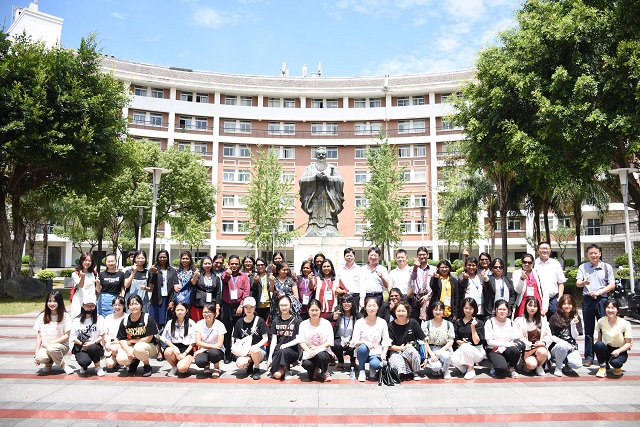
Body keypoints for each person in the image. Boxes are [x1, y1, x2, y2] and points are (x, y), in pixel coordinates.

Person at [576, 244, 615, 367]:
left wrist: (600, 292)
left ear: (600, 254)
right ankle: (589, 357)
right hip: (588, 300)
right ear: (587, 255)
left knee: (604, 329)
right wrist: (584, 283)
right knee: (589, 330)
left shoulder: (607, 267)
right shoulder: (583, 267)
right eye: (591, 253)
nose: (593, 255)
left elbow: (612, 284)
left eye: (595, 253)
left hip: (602, 300)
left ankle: (605, 357)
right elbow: (578, 283)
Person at [299, 146, 345, 237]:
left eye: (323, 154)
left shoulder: (332, 168)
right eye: (319, 154)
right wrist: (314, 178)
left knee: (329, 216)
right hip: (314, 197)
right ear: (316, 155)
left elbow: (340, 181)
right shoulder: (310, 168)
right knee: (314, 215)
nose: (321, 156)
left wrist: (328, 178)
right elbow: (302, 181)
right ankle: (312, 227)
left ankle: (330, 227)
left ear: (326, 155)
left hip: (328, 197)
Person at [116, 294, 159, 377]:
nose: (134, 307)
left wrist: (132, 341)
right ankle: (134, 362)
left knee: (139, 347)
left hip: (148, 346)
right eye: (131, 304)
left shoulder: (147, 318)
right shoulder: (125, 321)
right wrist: (128, 351)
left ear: (141, 305)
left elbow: (148, 338)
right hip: (132, 346)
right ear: (128, 307)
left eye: (136, 304)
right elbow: (121, 339)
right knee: (121, 359)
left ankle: (147, 365)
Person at [33, 290, 74, 375]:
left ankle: (63, 365)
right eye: (49, 301)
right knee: (40, 357)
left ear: (60, 302)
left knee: (52, 349)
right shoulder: (42, 316)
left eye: (54, 301)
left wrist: (50, 343)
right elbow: (39, 335)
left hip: (61, 346)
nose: (52, 303)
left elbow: (67, 336)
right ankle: (49, 363)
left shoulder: (65, 316)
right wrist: (36, 353)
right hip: (45, 346)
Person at [221, 255, 251, 364]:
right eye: (232, 263)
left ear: (239, 265)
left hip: (239, 306)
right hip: (227, 306)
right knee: (227, 331)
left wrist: (241, 306)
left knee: (240, 331)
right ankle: (228, 353)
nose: (234, 266)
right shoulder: (225, 274)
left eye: (236, 264)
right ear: (229, 264)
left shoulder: (244, 276)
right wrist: (227, 274)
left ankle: (239, 353)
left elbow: (246, 292)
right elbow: (224, 279)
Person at [352, 297, 391, 382]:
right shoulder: (359, 322)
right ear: (365, 308)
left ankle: (372, 368)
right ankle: (362, 370)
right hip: (362, 352)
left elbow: (386, 340)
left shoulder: (382, 322)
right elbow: (354, 341)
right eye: (369, 306)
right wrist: (365, 342)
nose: (372, 308)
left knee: (376, 364)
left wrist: (384, 354)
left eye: (374, 306)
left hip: (376, 351)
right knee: (363, 348)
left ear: (378, 307)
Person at [297, 299, 335, 382]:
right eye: (312, 310)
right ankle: (315, 368)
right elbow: (301, 341)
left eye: (316, 310)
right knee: (307, 364)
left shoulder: (326, 323)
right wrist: (309, 351)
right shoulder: (303, 324)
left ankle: (325, 372)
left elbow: (330, 342)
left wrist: (317, 348)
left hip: (323, 351)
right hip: (310, 352)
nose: (314, 312)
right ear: (308, 310)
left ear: (320, 310)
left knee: (321, 356)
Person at [594, 300, 633, 378]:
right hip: (607, 348)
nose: (610, 310)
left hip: (620, 350)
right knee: (598, 344)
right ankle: (602, 366)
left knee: (616, 363)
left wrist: (618, 351)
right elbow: (599, 339)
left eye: (613, 308)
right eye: (608, 307)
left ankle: (617, 367)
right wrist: (598, 352)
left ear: (617, 309)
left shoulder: (625, 323)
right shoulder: (601, 321)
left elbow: (628, 343)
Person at [388, 299, 425, 380]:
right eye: (399, 311)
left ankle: (415, 372)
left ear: (407, 312)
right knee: (397, 365)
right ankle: (405, 371)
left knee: (411, 351)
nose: (401, 313)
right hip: (397, 351)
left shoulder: (413, 323)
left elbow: (424, 339)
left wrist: (426, 358)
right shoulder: (390, 325)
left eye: (403, 311)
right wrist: (403, 348)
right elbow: (390, 346)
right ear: (395, 312)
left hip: (410, 350)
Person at [232, 297, 268, 380]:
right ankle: (250, 364)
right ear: (243, 308)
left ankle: (256, 369)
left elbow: (265, 338)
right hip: (245, 350)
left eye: (251, 307)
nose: (248, 309)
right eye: (246, 307)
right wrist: (244, 351)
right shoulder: (239, 322)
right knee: (240, 364)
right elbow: (236, 339)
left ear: (254, 307)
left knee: (254, 349)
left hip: (258, 350)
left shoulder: (260, 321)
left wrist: (255, 347)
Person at [513, 297, 551, 376]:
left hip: (540, 347)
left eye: (535, 306)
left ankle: (539, 366)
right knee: (531, 365)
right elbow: (518, 337)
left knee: (542, 352)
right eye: (530, 305)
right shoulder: (519, 321)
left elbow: (548, 336)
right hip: (527, 348)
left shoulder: (543, 320)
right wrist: (530, 344)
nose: (532, 308)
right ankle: (527, 364)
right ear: (526, 306)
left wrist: (543, 343)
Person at [484, 299, 521, 378]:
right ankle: (496, 365)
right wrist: (506, 344)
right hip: (494, 349)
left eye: (504, 309)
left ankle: (512, 368)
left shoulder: (511, 323)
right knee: (501, 369)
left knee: (515, 350)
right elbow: (489, 342)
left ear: (508, 310)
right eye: (500, 309)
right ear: (495, 310)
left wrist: (503, 348)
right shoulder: (490, 322)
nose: (502, 311)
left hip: (506, 349)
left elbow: (515, 338)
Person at [267, 296, 301, 380]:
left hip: (291, 351)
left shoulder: (296, 321)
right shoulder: (275, 321)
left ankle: (287, 370)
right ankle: (283, 368)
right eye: (281, 305)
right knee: (277, 375)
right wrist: (270, 356)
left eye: (286, 305)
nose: (284, 307)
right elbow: (274, 340)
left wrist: (286, 345)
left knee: (284, 351)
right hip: (279, 351)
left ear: (290, 305)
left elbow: (298, 339)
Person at [70, 296, 106, 376]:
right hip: (81, 346)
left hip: (95, 345)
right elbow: (73, 337)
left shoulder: (99, 318)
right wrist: (82, 344)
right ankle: (84, 366)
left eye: (92, 305)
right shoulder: (77, 320)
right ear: (83, 305)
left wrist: (93, 343)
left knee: (93, 348)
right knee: (84, 361)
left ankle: (98, 367)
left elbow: (102, 335)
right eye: (87, 305)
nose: (89, 308)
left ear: (95, 306)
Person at [548, 294, 583, 377]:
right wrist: (566, 344)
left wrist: (573, 324)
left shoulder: (576, 317)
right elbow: (551, 336)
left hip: (571, 348)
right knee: (562, 346)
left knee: (577, 364)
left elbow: (575, 336)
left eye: (569, 304)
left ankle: (567, 363)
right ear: (560, 305)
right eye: (564, 304)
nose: (567, 306)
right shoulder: (554, 317)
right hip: (557, 348)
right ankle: (558, 367)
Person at [451, 298, 486, 380]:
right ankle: (465, 368)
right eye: (466, 308)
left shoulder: (479, 322)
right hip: (463, 349)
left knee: (465, 346)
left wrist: (473, 327)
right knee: (452, 360)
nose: (468, 310)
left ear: (474, 309)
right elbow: (456, 338)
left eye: (470, 308)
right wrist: (459, 342)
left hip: (477, 351)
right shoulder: (458, 322)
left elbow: (476, 342)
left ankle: (471, 369)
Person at [159, 301, 196, 377]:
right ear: (174, 311)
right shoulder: (170, 323)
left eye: (182, 310)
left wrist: (184, 353)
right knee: (168, 351)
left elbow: (193, 342)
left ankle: (182, 365)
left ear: (186, 311)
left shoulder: (191, 323)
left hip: (186, 350)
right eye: (178, 310)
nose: (180, 312)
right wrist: (174, 348)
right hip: (174, 348)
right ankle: (174, 366)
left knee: (182, 369)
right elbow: (164, 338)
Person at [421, 301, 455, 379]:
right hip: (432, 348)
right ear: (432, 311)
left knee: (446, 356)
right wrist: (431, 354)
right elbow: (425, 342)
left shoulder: (449, 324)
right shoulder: (427, 324)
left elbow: (451, 341)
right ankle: (437, 369)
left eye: (440, 310)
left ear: (443, 311)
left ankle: (446, 370)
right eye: (435, 309)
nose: (438, 312)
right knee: (436, 367)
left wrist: (440, 351)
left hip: (445, 348)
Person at [534, 241, 566, 319]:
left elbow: (561, 282)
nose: (544, 250)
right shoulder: (533, 264)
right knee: (538, 322)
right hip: (538, 299)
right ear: (538, 250)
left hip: (553, 299)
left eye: (546, 248)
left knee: (555, 321)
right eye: (542, 249)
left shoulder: (556, 264)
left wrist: (560, 297)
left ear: (550, 250)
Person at [149, 249, 178, 334]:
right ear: (157, 258)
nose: (162, 259)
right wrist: (154, 273)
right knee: (155, 323)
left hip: (168, 299)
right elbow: (151, 284)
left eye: (164, 257)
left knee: (167, 323)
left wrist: (172, 301)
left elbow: (175, 287)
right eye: (160, 257)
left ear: (167, 258)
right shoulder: (153, 270)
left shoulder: (172, 271)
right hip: (156, 299)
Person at [194, 303, 227, 378]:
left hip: (217, 350)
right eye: (205, 312)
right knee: (200, 361)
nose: (207, 314)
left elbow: (219, 344)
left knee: (213, 353)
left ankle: (216, 368)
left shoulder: (220, 325)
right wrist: (207, 348)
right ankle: (206, 365)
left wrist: (204, 349)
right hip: (204, 349)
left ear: (214, 314)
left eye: (209, 312)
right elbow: (198, 342)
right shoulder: (199, 324)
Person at [513, 253, 548, 319]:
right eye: (524, 262)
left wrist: (545, 307)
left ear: (532, 263)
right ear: (521, 262)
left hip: (537, 303)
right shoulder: (516, 273)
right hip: (523, 303)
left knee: (537, 322)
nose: (527, 264)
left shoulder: (538, 273)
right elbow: (518, 291)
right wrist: (521, 280)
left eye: (529, 263)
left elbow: (545, 290)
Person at [331, 294, 361, 371]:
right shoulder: (338, 312)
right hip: (339, 337)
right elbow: (327, 319)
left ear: (352, 303)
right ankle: (340, 361)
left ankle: (352, 361)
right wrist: (332, 317)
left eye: (348, 302)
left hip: (352, 338)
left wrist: (351, 341)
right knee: (335, 344)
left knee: (353, 347)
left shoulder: (357, 315)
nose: (346, 304)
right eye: (344, 302)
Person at [192, 256, 222, 323]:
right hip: (199, 304)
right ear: (202, 265)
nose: (207, 265)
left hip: (211, 304)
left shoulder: (216, 277)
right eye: (205, 264)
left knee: (209, 323)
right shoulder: (198, 275)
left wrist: (217, 307)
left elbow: (218, 293)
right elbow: (193, 283)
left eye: (209, 263)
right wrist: (195, 276)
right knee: (198, 324)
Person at [410, 246, 437, 320]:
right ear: (417, 256)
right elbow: (413, 278)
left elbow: (436, 285)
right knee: (416, 321)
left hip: (429, 298)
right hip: (417, 298)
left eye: (424, 254)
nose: (422, 257)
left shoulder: (434, 269)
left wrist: (428, 296)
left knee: (429, 320)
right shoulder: (412, 268)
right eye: (420, 255)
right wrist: (415, 268)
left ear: (428, 255)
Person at [71, 252, 99, 318]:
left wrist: (98, 283)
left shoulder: (94, 273)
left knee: (91, 319)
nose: (87, 262)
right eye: (85, 260)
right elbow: (80, 285)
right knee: (77, 318)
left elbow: (97, 289)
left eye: (89, 261)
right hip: (79, 300)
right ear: (81, 261)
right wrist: (82, 277)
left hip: (91, 300)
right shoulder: (75, 273)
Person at [97, 253, 125, 317]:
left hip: (115, 300)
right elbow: (98, 290)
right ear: (105, 262)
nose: (110, 263)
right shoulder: (101, 274)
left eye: (112, 261)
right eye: (108, 261)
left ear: (116, 261)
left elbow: (122, 289)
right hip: (103, 300)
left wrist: (122, 300)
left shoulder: (121, 274)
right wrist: (97, 283)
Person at [104, 296, 126, 370]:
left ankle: (124, 361)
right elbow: (105, 334)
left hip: (123, 344)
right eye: (115, 305)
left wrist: (118, 343)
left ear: (124, 305)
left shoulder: (127, 317)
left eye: (120, 305)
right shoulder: (108, 318)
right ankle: (117, 361)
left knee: (115, 349)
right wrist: (107, 343)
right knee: (109, 365)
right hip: (111, 343)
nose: (117, 307)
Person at [336, 248, 361, 312]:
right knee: (342, 314)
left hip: (355, 297)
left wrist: (362, 300)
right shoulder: (340, 269)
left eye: (351, 256)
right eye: (347, 256)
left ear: (354, 257)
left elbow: (362, 285)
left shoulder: (359, 269)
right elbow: (337, 283)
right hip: (343, 296)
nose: (349, 257)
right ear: (344, 257)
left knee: (355, 315)